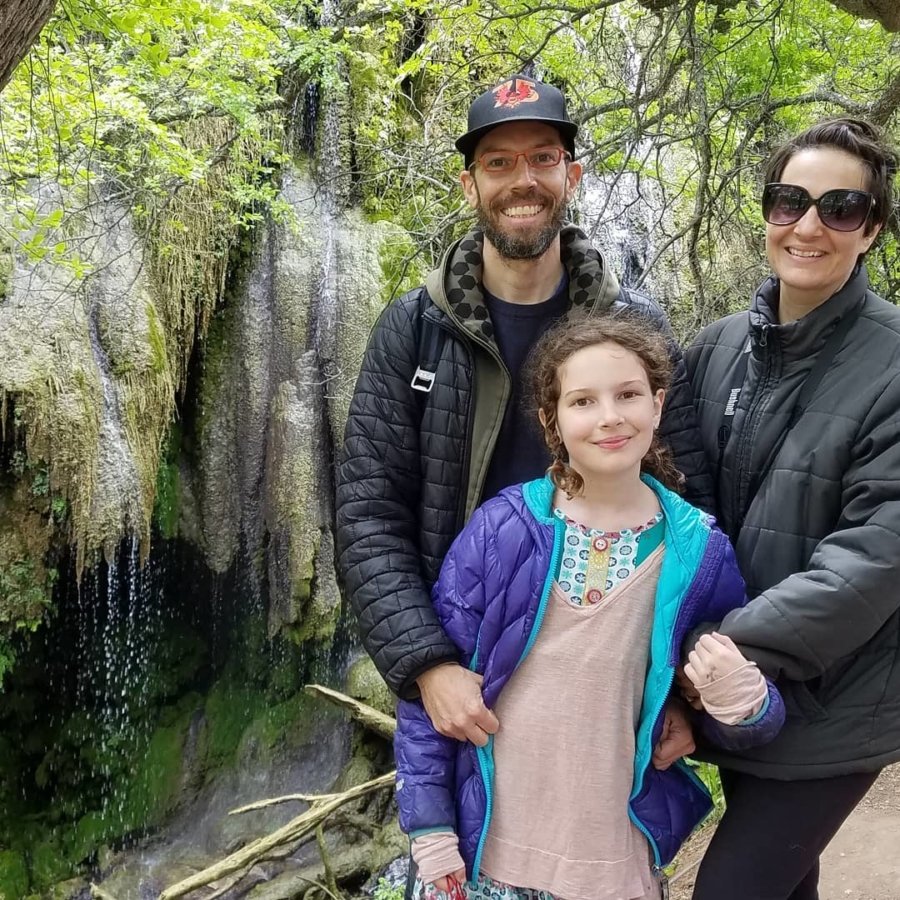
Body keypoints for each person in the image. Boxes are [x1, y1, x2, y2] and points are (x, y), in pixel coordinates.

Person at [336, 73, 712, 762]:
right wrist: (428, 664)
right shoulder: (415, 329)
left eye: (543, 158)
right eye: (499, 162)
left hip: (614, 672)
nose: (523, 181)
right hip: (466, 668)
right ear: (469, 184)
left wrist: (680, 689)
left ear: (571, 175)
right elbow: (368, 512)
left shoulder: (635, 329)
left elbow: (689, 504)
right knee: (457, 830)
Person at [394, 313, 785, 900]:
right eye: (583, 401)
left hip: (612, 865)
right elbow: (432, 694)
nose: (609, 417)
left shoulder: (700, 551)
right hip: (486, 860)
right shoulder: (502, 528)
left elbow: (724, 706)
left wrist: (744, 706)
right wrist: (429, 828)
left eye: (628, 395)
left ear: (658, 404)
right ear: (551, 420)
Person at [684, 117, 900, 900]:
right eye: (789, 201)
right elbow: (677, 513)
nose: (808, 226)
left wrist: (712, 658)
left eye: (840, 208)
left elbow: (873, 558)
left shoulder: (893, 360)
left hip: (837, 697)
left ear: (870, 230)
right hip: (737, 690)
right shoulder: (713, 350)